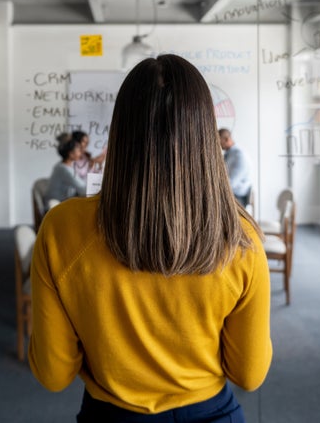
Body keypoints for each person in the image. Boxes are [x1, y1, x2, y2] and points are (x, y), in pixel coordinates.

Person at [29, 54, 272, 422]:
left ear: (120, 133)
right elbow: (249, 375)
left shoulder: (61, 228)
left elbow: (53, 374)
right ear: (205, 135)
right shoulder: (240, 236)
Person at [45, 132, 87, 203]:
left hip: (61, 202)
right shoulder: (64, 169)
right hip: (55, 206)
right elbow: (83, 189)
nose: (81, 153)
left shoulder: (63, 166)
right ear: (71, 154)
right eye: (79, 150)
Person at [218, 128, 253, 208]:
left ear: (226, 139)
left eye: (219, 141)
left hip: (238, 197)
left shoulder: (239, 156)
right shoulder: (229, 154)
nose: (218, 144)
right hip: (231, 194)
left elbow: (231, 183)